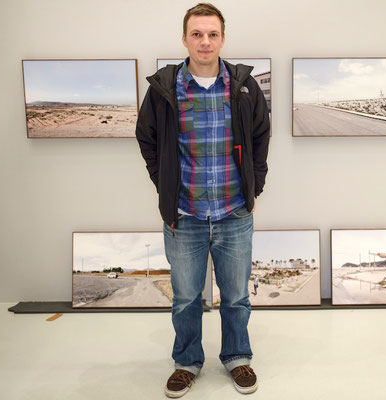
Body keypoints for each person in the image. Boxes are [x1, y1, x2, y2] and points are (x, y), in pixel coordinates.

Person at [135, 3, 270, 397]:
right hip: (184, 215)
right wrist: (164, 185)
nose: (205, 41)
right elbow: (147, 139)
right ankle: (187, 362)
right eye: (197, 34)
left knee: (237, 296)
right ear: (184, 39)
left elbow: (261, 137)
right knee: (185, 299)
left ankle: (237, 358)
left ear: (222, 39)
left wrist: (254, 187)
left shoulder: (243, 86)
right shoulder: (164, 88)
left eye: (212, 34)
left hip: (234, 212)